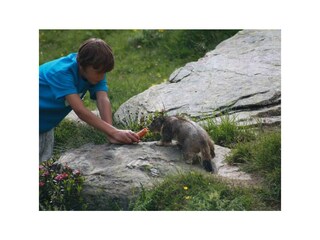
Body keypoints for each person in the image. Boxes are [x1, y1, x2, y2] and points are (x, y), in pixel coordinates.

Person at [39, 38, 140, 162]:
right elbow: (80, 110)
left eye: (104, 72)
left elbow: (102, 98)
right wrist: (114, 132)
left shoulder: (96, 69)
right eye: (99, 73)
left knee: (42, 168)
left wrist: (111, 132)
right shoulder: (61, 73)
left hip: (45, 126)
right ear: (82, 66)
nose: (102, 77)